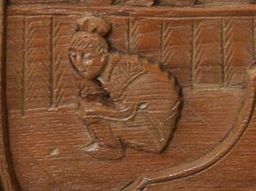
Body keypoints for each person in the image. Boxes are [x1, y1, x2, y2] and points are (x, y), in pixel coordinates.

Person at [67, 15, 182, 159]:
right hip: (142, 119)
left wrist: (95, 110)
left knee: (89, 111)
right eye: (73, 56)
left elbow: (126, 111)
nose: (79, 64)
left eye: (87, 57)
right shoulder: (115, 65)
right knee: (90, 105)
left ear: (103, 55)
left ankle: (109, 148)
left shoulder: (121, 71)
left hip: (153, 132)